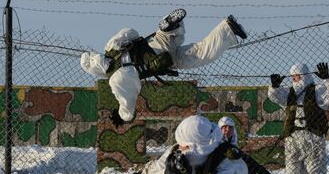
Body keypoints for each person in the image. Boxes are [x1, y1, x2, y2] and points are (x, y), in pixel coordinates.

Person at [80, 9, 248, 127]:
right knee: (175, 37)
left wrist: (123, 117)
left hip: (162, 61)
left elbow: (127, 104)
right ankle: (169, 27)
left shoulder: (116, 79)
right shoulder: (110, 47)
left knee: (201, 53)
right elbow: (129, 32)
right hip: (155, 43)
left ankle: (228, 30)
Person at [268, 62, 329, 174]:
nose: (295, 79)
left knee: (316, 173)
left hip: (312, 137)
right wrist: (274, 86)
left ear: (305, 76)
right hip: (292, 138)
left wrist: (327, 79)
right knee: (291, 173)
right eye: (293, 76)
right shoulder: (289, 93)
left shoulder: (317, 90)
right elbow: (274, 96)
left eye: (298, 76)